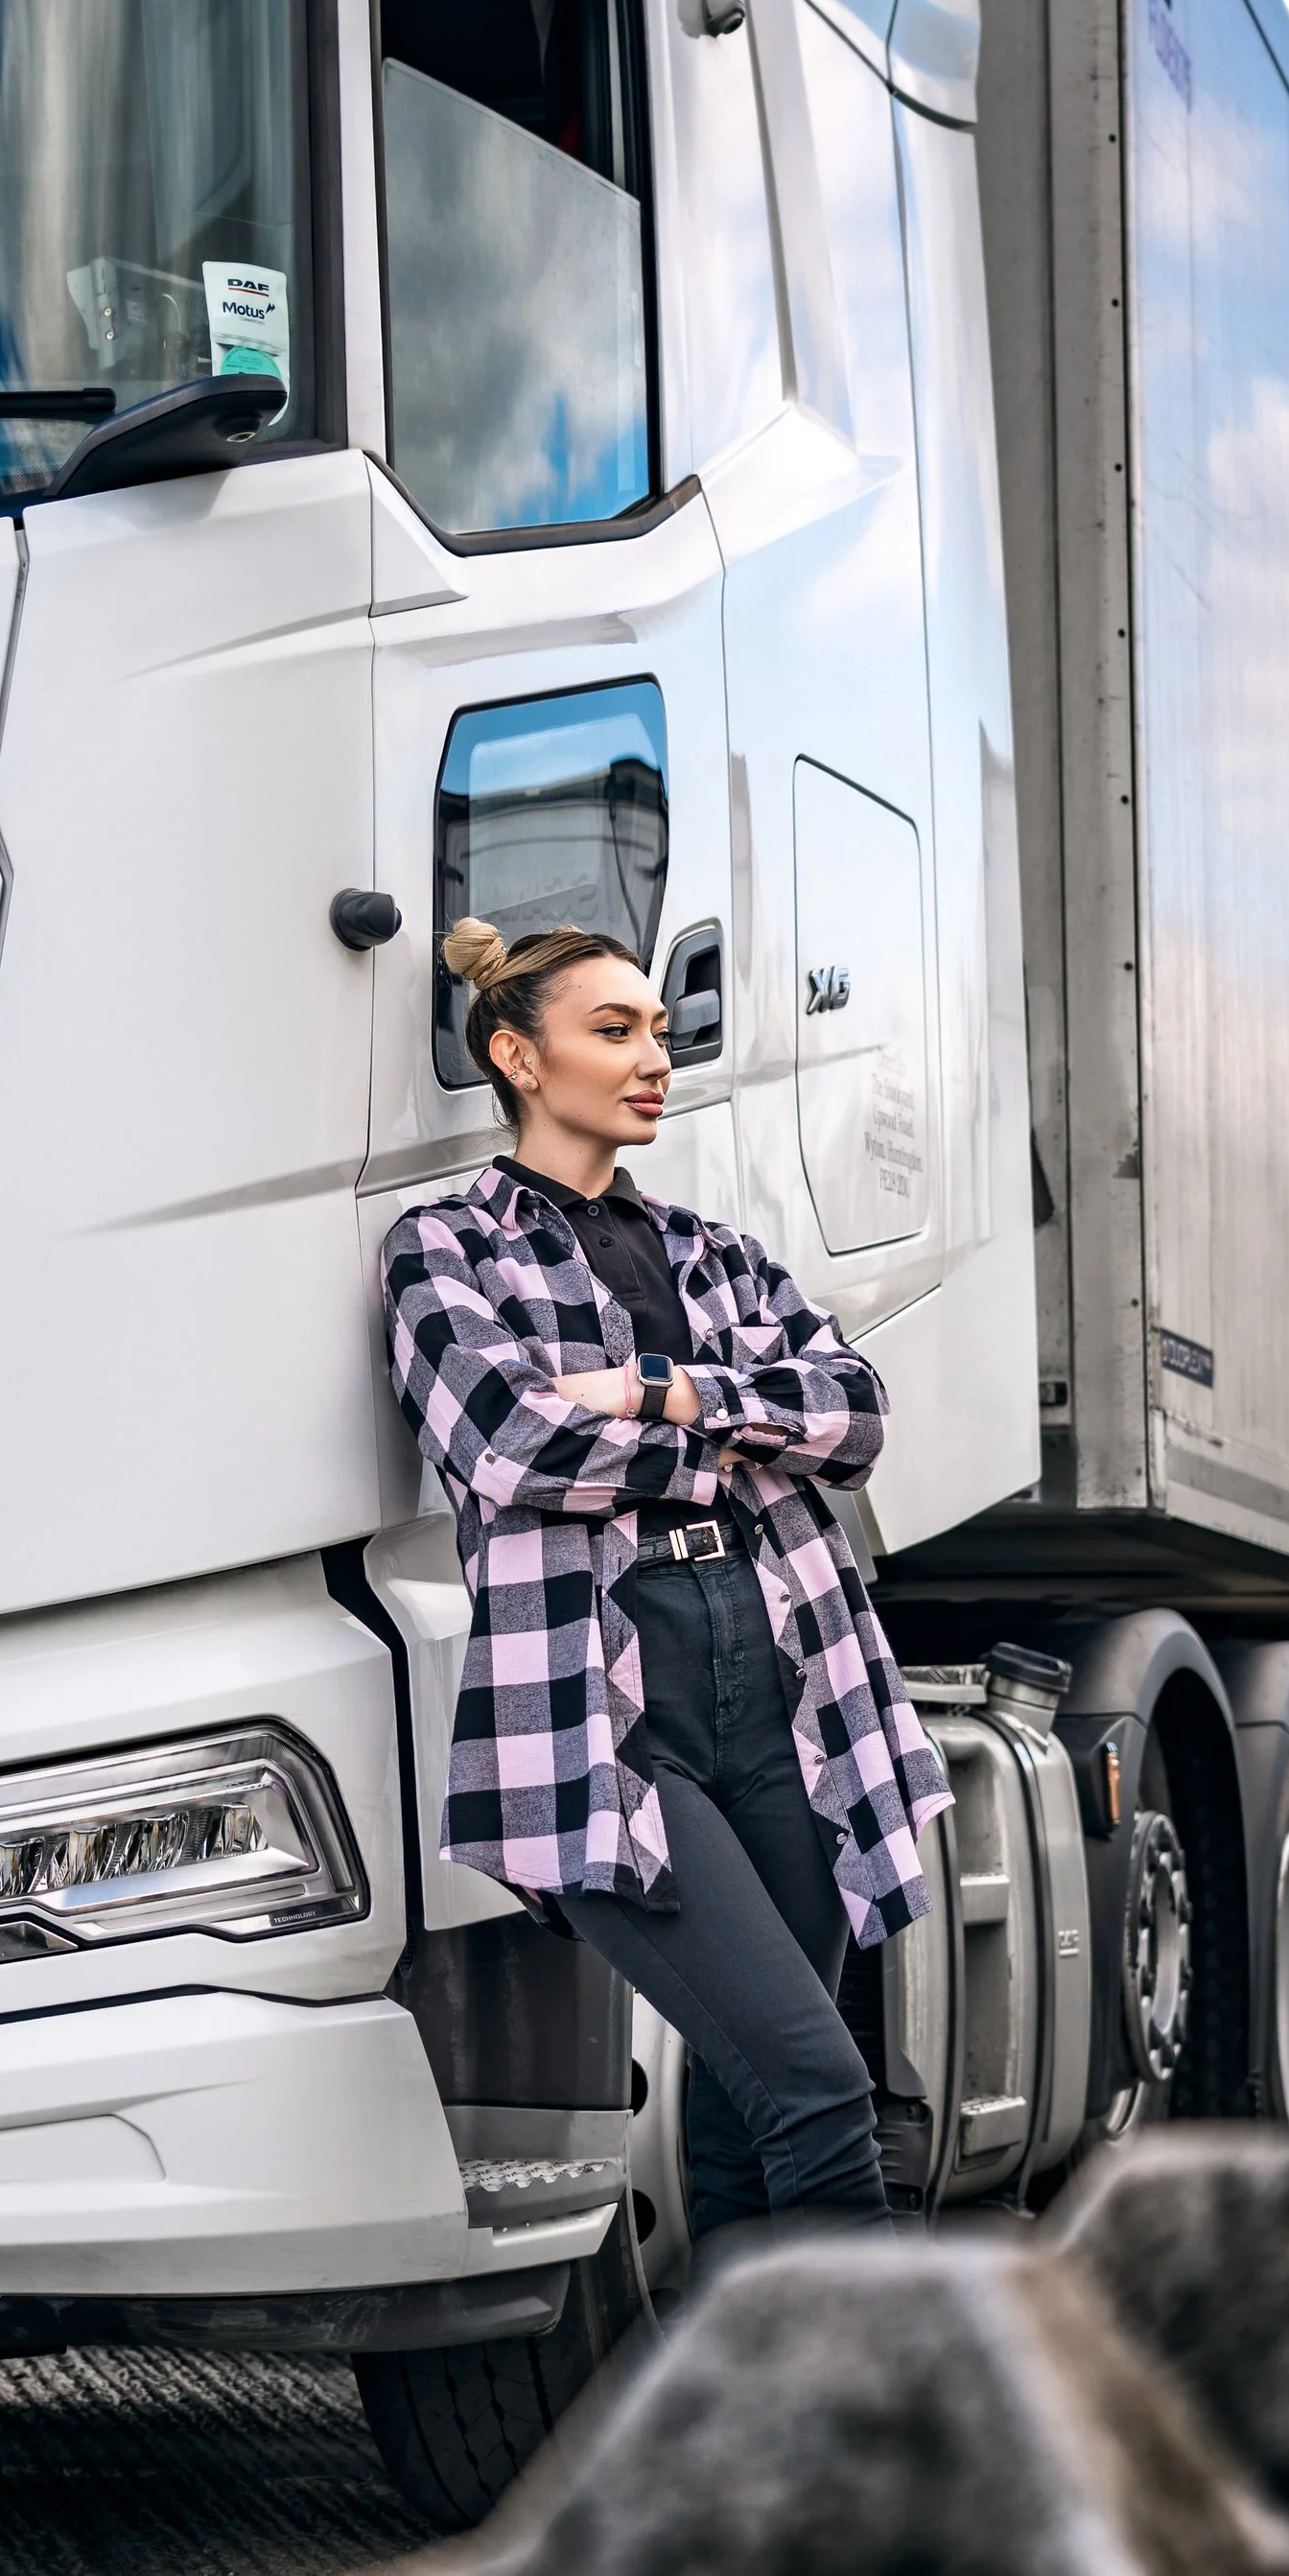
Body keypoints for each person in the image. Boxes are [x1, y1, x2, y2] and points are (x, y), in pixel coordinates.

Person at [382, 916, 953, 2248]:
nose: (656, 1058)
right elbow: (514, 1443)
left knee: (756, 2102)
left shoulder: (713, 1251)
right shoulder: (447, 1248)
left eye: (658, 1030)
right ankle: (881, 2372)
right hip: (602, 1690)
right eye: (614, 1031)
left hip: (783, 1664)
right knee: (818, 2086)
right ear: (518, 1057)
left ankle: (741, 2378)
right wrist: (734, 1440)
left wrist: (659, 1390)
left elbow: (856, 1415)